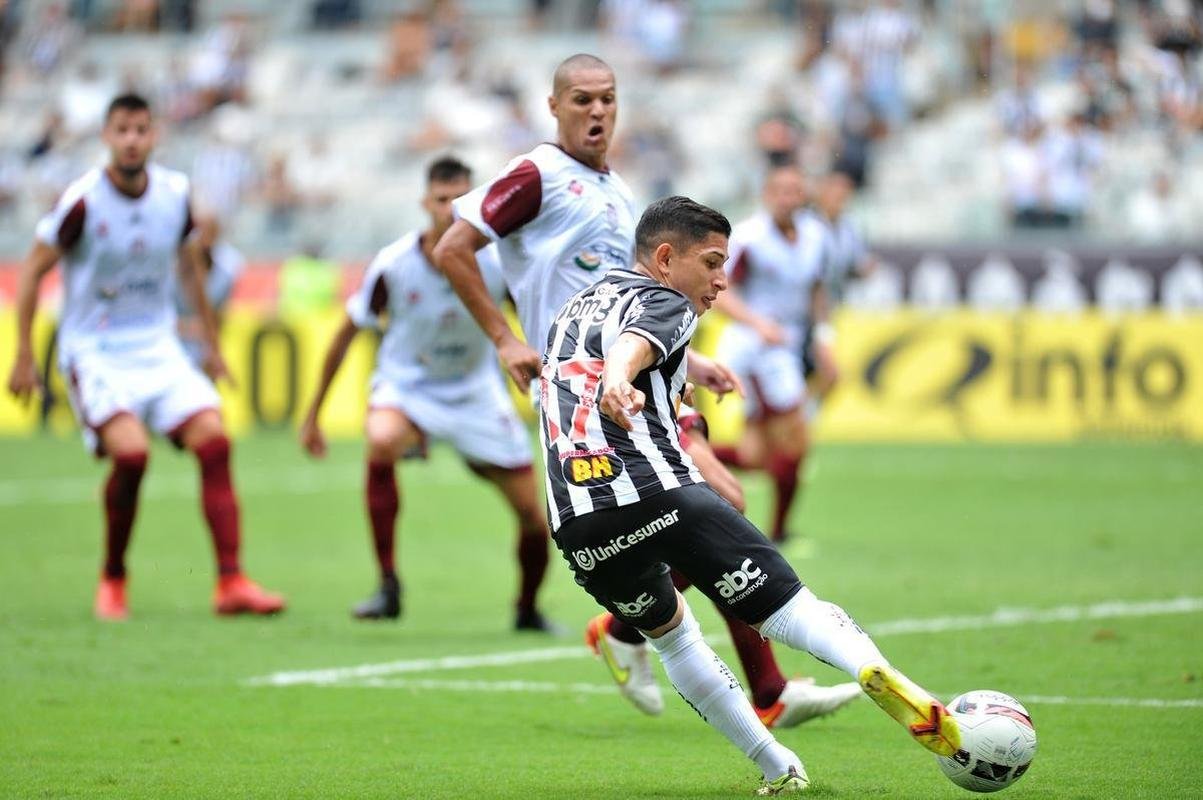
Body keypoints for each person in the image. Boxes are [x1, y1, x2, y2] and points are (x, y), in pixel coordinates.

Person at [434, 53, 850, 724]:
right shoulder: (535, 175)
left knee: (713, 505)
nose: (596, 111)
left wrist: (686, 367)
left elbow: (628, 303)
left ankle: (646, 639)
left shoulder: (616, 190)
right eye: (581, 100)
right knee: (719, 499)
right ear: (554, 107)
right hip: (584, 394)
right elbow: (452, 247)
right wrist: (505, 338)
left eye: (607, 98)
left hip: (635, 380)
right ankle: (755, 686)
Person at [543, 195, 959, 794]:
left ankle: (777, 766)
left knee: (674, 637)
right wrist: (619, 378)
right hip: (657, 492)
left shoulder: (577, 305)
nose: (722, 279)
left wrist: (684, 370)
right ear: (665, 258)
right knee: (790, 606)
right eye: (711, 263)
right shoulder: (668, 300)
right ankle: (879, 672)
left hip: (579, 526)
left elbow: (606, 354)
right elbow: (631, 348)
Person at [6, 93, 284, 620]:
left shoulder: (175, 194)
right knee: (132, 455)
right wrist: (23, 354)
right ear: (106, 138)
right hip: (96, 350)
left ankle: (231, 582)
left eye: (141, 130)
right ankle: (113, 576)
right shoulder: (83, 202)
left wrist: (212, 343)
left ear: (155, 135)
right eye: (121, 131)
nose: (132, 140)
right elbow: (33, 271)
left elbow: (189, 267)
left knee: (215, 440)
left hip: (158, 347)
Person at [299, 156, 553, 630]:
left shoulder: (496, 262)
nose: (450, 211)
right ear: (424, 202)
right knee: (381, 437)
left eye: (461, 201)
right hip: (408, 387)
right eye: (441, 200)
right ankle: (388, 584)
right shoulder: (394, 264)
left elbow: (533, 322)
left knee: (534, 518)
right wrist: (313, 414)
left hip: (477, 393)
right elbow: (347, 332)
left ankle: (528, 609)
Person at [712, 166, 831, 543]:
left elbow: (816, 289)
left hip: (789, 345)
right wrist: (757, 323)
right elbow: (719, 290)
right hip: (755, 350)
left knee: (754, 456)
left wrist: (822, 334)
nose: (788, 198)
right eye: (780, 191)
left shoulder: (815, 235)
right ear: (767, 194)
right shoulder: (750, 237)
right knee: (795, 437)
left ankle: (686, 456)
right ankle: (778, 532)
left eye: (795, 190)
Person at [805, 168, 875, 404]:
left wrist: (864, 269)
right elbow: (812, 279)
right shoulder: (807, 227)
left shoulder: (849, 228)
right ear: (822, 194)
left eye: (844, 195)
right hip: (805, 313)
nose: (840, 200)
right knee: (827, 371)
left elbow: (855, 265)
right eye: (835, 193)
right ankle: (798, 420)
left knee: (825, 375)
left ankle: (800, 420)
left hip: (830, 310)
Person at [175, 212, 244, 368]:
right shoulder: (169, 267)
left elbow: (223, 318)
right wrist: (192, 328)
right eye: (198, 230)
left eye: (208, 231)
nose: (203, 238)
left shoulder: (228, 270)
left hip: (207, 347)